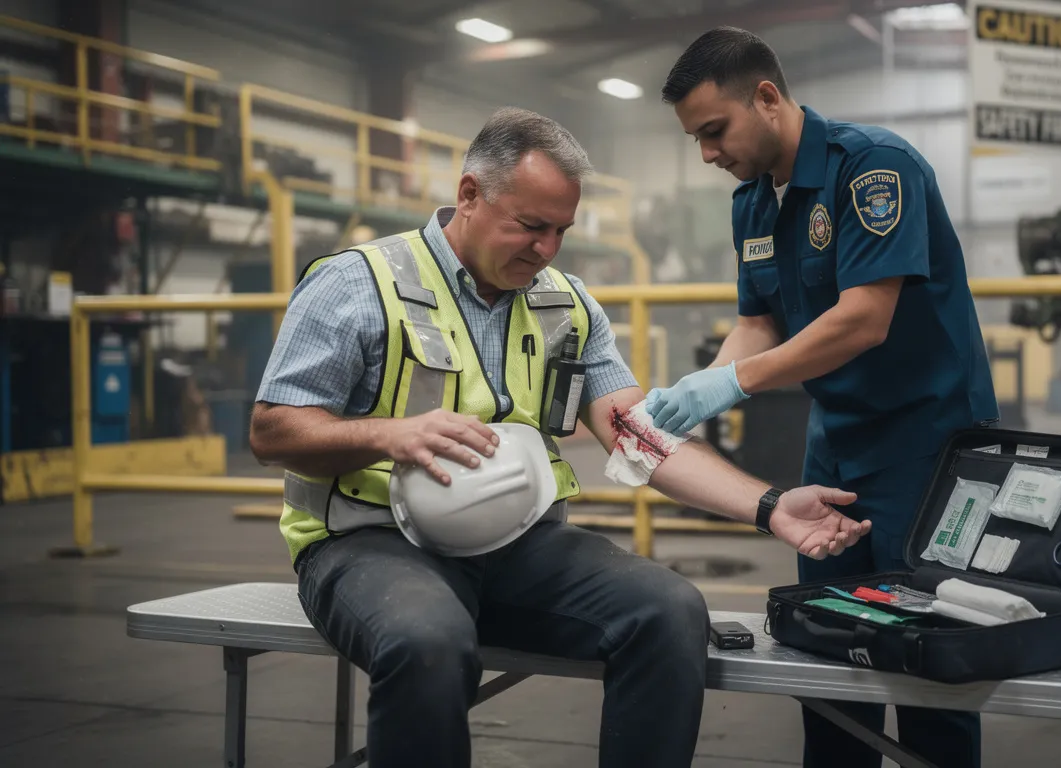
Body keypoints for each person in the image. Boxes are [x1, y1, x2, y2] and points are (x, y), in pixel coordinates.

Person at [248, 106, 873, 768]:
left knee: (667, 610)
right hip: (369, 544)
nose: (545, 249)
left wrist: (772, 508)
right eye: (530, 226)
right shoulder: (358, 283)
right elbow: (272, 429)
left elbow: (640, 437)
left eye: (561, 231)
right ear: (469, 195)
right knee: (426, 639)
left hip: (520, 546)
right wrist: (391, 435)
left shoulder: (566, 304)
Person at [655, 27, 999, 768]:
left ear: (768, 98)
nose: (708, 154)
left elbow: (864, 318)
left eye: (714, 131)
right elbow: (758, 322)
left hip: (930, 443)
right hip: (838, 442)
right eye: (696, 140)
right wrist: (700, 390)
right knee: (831, 650)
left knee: (930, 655)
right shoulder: (753, 203)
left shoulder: (874, 168)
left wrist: (735, 381)